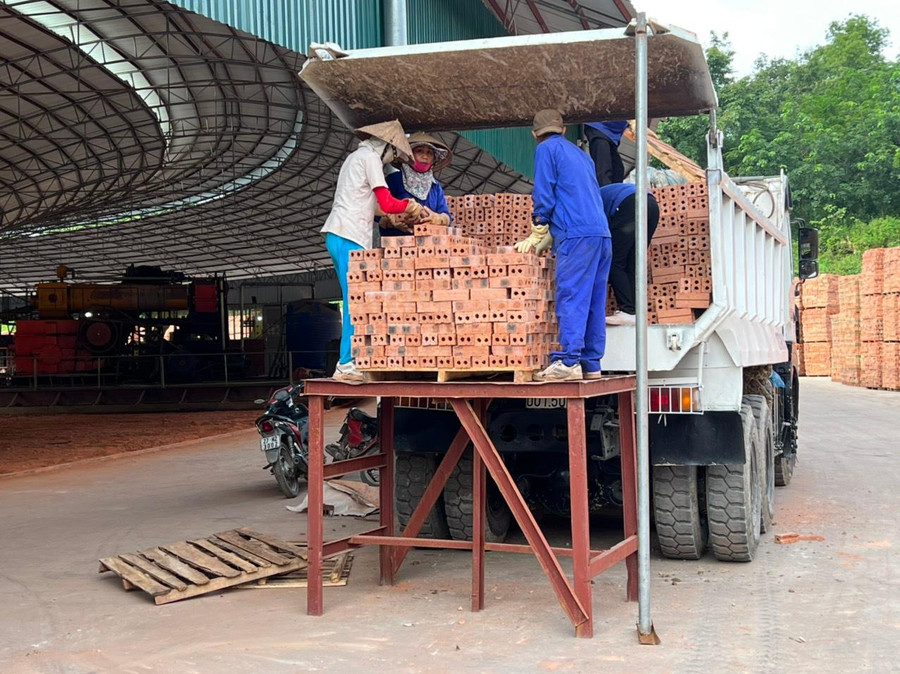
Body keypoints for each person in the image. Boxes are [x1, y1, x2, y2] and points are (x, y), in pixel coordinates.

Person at [321, 120, 424, 382]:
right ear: (387, 146)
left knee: (352, 299)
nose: (393, 159)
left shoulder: (354, 158)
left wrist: (397, 214)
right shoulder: (370, 159)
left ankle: (350, 360)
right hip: (349, 235)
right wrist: (410, 207)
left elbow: (371, 205)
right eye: (393, 153)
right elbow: (387, 202)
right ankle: (346, 363)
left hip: (339, 233)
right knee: (355, 302)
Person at [515, 109, 613, 382]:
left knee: (572, 296)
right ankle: (591, 363)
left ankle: (569, 362)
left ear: (535, 135)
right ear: (564, 130)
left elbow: (544, 191)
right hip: (601, 235)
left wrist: (539, 224)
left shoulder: (546, 150)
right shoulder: (582, 156)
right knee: (594, 300)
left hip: (576, 236)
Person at [600, 183, 660, 325]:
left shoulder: (585, 202)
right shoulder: (600, 194)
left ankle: (628, 311)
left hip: (631, 204)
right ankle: (635, 312)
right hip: (651, 205)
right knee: (633, 262)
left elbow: (595, 234)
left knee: (614, 261)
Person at [382, 132, 453, 235]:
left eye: (429, 153)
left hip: (428, 245)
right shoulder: (394, 180)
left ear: (434, 159)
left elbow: (446, 216)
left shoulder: (435, 186)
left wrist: (436, 218)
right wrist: (390, 221)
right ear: (410, 155)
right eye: (420, 151)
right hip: (396, 245)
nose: (425, 156)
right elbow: (377, 209)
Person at [584, 120, 629, 186]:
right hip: (599, 126)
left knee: (617, 171)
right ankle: (604, 194)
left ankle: (611, 193)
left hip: (612, 132)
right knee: (603, 171)